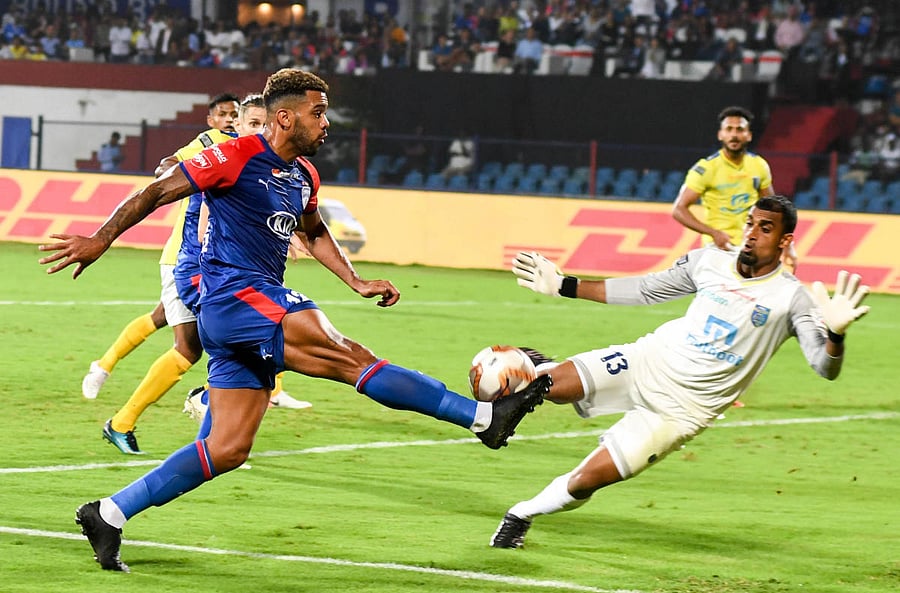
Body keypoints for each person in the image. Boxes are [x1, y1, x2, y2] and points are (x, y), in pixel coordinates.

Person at [38, 69, 548, 571]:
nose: (327, 124)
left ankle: (109, 513)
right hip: (237, 298)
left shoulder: (303, 175)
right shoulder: (235, 155)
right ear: (284, 117)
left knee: (226, 447)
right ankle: (484, 419)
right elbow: (157, 191)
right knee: (352, 359)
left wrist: (356, 281)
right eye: (318, 113)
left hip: (244, 316)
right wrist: (100, 239)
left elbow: (315, 230)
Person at [490, 195, 871, 549]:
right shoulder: (708, 262)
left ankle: (521, 514)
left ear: (786, 240)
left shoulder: (792, 299)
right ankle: (538, 370)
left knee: (586, 481)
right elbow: (646, 289)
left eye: (765, 228)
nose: (752, 235)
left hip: (681, 411)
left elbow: (824, 367)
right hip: (646, 361)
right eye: (750, 224)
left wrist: (835, 335)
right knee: (547, 387)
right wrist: (564, 285)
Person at [83, 93, 240, 455]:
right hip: (187, 259)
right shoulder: (210, 144)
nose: (232, 120)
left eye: (239, 115)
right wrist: (187, 173)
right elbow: (165, 166)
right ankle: (200, 409)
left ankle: (111, 387)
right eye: (227, 115)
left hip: (214, 261)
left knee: (165, 323)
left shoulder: (253, 152)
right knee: (200, 345)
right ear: (212, 118)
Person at [672, 106, 798, 274]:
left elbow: (773, 211)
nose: (734, 134)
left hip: (751, 248)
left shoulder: (758, 165)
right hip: (717, 251)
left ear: (749, 135)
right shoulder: (706, 168)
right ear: (720, 134)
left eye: (740, 129)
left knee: (751, 298)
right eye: (729, 129)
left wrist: (788, 247)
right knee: (715, 298)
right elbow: (678, 209)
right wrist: (713, 233)